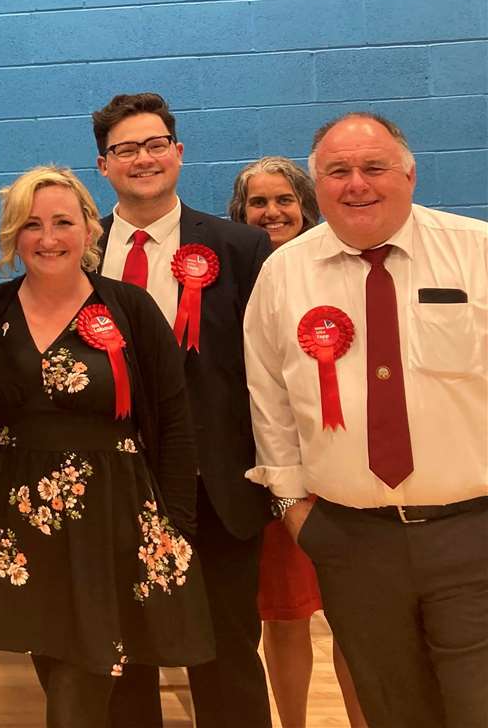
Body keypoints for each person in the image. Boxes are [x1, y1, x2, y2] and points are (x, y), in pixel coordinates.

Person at [0, 166, 212, 727]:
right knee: (60, 666)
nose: (49, 237)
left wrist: (176, 524)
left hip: (112, 519)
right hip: (16, 526)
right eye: (32, 224)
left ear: (91, 230)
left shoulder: (131, 309)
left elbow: (176, 422)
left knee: (80, 684)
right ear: (14, 237)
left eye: (63, 221)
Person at [245, 112, 488, 728]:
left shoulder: (476, 253)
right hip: (351, 544)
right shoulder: (283, 274)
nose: (357, 184)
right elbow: (269, 401)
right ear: (318, 186)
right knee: (390, 709)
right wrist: (297, 511)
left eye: (373, 167)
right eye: (338, 170)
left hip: (472, 536)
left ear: (410, 173)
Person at [91, 92, 273, 728]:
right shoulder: (76, 251)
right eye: (125, 150)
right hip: (107, 490)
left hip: (214, 490)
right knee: (121, 663)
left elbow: (268, 373)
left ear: (178, 153)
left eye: (155, 144)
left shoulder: (242, 249)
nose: (143, 159)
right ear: (103, 166)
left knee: (226, 659)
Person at [227, 158, 365, 728]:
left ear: (305, 204)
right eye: (258, 203)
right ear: (241, 213)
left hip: (348, 470)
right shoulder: (229, 272)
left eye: (283, 200)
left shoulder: (342, 267)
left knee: (357, 620)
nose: (271, 212)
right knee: (283, 618)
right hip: (273, 474)